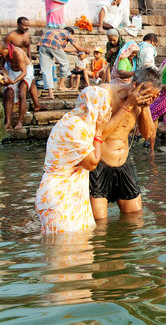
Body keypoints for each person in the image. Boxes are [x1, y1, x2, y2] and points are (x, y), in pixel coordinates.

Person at [35, 86, 111, 233]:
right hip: (59, 198)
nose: (107, 112)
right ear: (96, 107)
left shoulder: (72, 120)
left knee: (79, 251)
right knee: (63, 250)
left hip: (66, 196)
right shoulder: (76, 126)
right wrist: (99, 132)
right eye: (105, 107)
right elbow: (92, 163)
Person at [90, 68, 160, 220]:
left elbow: (147, 134)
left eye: (152, 96)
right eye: (146, 94)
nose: (148, 98)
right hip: (99, 163)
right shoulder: (105, 92)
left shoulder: (142, 103)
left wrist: (145, 106)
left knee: (135, 219)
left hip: (124, 162)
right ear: (135, 85)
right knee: (99, 223)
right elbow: (97, 135)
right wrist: (128, 105)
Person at [3, 17, 45, 111]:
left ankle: (36, 104)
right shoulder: (10, 36)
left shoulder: (27, 34)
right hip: (13, 64)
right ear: (18, 24)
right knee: (10, 90)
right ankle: (10, 110)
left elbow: (28, 46)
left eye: (28, 25)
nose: (27, 27)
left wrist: (29, 58)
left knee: (32, 82)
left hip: (26, 62)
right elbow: (4, 51)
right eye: (25, 25)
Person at [38, 27, 84, 98]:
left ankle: (50, 94)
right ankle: (61, 85)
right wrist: (86, 50)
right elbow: (78, 47)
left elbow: (63, 49)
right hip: (52, 44)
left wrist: (74, 51)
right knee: (65, 63)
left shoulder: (56, 33)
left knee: (46, 70)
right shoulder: (68, 33)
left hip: (42, 45)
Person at [0, 40, 31, 130]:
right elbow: (2, 67)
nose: (1, 56)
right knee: (9, 93)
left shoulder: (18, 53)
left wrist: (14, 82)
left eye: (1, 53)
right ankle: (8, 123)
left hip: (25, 71)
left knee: (22, 93)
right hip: (12, 70)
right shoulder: (3, 53)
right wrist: (5, 76)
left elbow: (24, 72)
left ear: (6, 49)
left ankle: (20, 122)